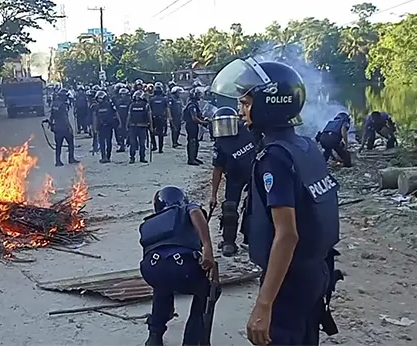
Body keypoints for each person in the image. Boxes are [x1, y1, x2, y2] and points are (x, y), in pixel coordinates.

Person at [211, 58, 341, 345]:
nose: (241, 111)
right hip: (316, 270)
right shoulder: (305, 146)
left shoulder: (274, 158)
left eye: (246, 104)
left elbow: (287, 234)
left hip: (290, 279)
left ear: (268, 105)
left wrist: (264, 304)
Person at [139, 186, 216, 346]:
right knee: (207, 290)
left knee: (162, 286)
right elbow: (195, 212)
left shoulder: (149, 222)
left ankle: (154, 336)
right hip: (180, 265)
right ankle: (192, 341)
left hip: (150, 268)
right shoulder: (186, 208)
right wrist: (207, 247)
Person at [209, 106, 257, 257]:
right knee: (230, 207)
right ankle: (228, 241)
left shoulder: (249, 130)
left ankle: (252, 238)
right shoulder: (220, 143)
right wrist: (213, 195)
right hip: (234, 176)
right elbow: (217, 169)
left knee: (254, 205)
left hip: (255, 173)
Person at [49, 89, 80, 167]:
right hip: (64, 128)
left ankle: (58, 161)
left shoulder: (55, 104)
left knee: (58, 145)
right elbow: (65, 117)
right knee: (70, 142)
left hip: (57, 127)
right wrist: (70, 127)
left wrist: (51, 124)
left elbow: (52, 115)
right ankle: (71, 158)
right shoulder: (63, 105)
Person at [93, 90, 118, 163]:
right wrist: (95, 128)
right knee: (103, 142)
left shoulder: (109, 105)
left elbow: (116, 113)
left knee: (107, 142)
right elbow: (95, 117)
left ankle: (107, 157)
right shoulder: (97, 106)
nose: (99, 99)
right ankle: (104, 156)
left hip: (108, 126)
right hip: (101, 126)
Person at [128, 90, 152, 164]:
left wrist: (127, 125)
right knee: (140, 143)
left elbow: (129, 116)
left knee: (135, 143)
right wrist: (151, 126)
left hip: (135, 126)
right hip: (140, 126)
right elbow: (149, 116)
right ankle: (140, 157)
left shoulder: (132, 105)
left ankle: (134, 158)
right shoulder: (145, 105)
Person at [183, 87, 205, 166]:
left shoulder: (195, 104)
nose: (200, 96)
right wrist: (203, 122)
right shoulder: (192, 105)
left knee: (196, 142)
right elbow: (194, 118)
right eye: (198, 94)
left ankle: (194, 158)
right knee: (192, 141)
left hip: (193, 125)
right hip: (191, 125)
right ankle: (191, 159)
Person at [150, 82, 170, 153]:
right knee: (160, 134)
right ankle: (160, 149)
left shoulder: (151, 99)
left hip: (153, 118)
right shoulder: (164, 99)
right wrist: (168, 117)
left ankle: (154, 146)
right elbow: (167, 109)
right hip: (161, 118)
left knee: (152, 132)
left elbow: (149, 110)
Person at [115, 87, 131, 152]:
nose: (123, 95)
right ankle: (122, 146)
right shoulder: (118, 102)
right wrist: (119, 121)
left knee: (129, 133)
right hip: (120, 119)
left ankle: (132, 144)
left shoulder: (129, 102)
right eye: (121, 94)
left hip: (128, 119)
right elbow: (116, 111)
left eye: (124, 94)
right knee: (120, 133)